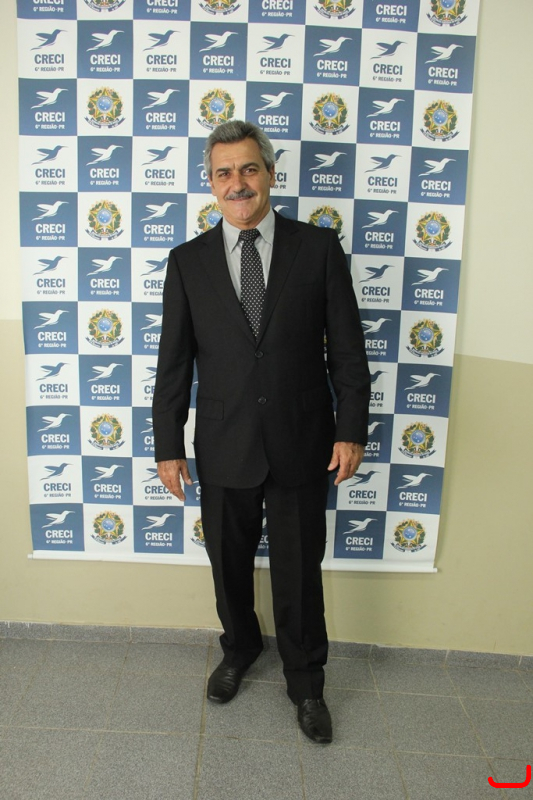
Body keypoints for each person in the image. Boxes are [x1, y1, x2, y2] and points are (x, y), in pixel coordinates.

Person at [153, 120, 370, 744]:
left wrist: (351, 429)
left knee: (300, 571)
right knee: (229, 565)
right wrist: (167, 445)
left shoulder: (318, 249)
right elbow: (174, 363)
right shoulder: (187, 262)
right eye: (224, 173)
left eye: (249, 169)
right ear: (211, 183)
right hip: (224, 443)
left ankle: (307, 682)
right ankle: (240, 649)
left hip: (303, 440)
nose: (238, 183)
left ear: (270, 174)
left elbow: (347, 352)